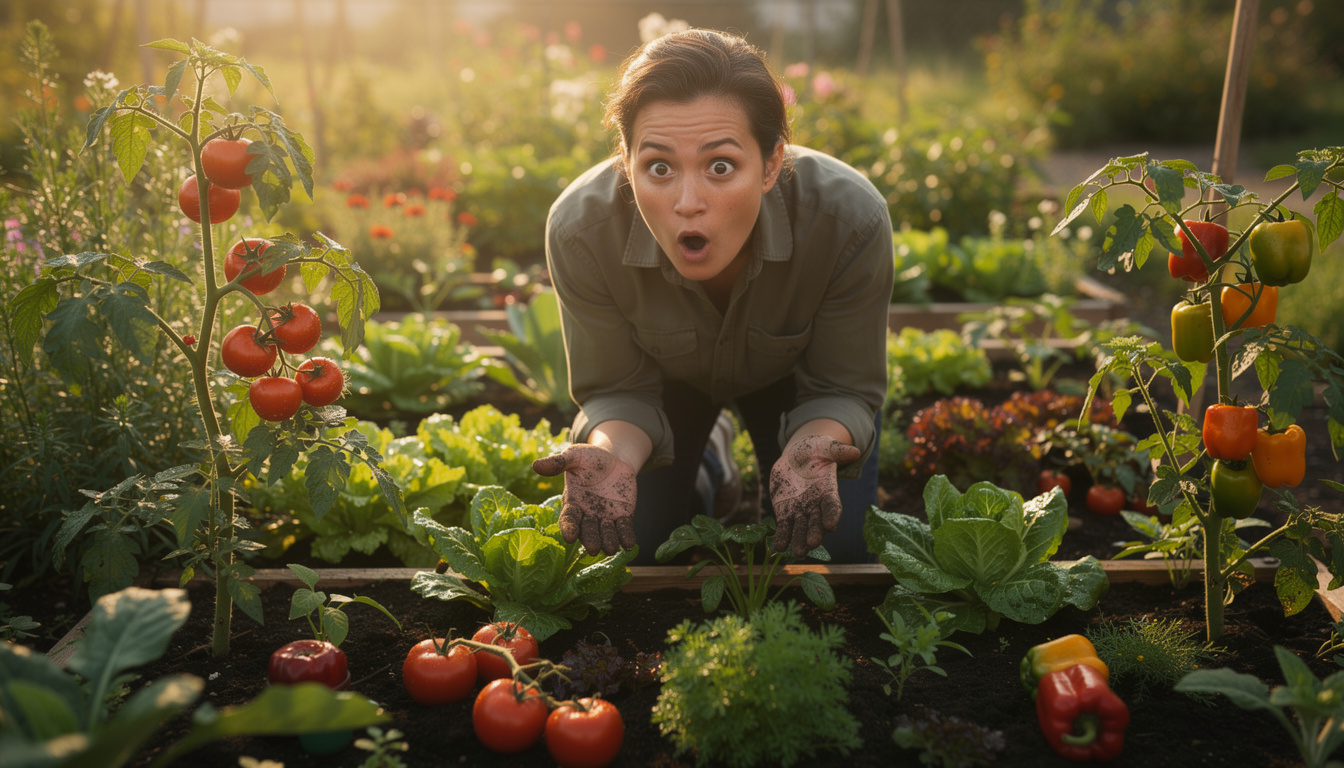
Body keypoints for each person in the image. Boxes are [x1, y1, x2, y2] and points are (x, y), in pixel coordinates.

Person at [532, 28, 894, 564]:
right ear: (626, 163)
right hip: (664, 388)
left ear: (771, 164)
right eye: (658, 167)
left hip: (796, 386)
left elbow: (842, 386)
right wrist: (611, 455)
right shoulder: (580, 230)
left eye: (720, 166)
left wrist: (813, 447)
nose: (687, 202)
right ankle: (707, 468)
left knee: (831, 549)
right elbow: (616, 388)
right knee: (634, 545)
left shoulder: (850, 220)